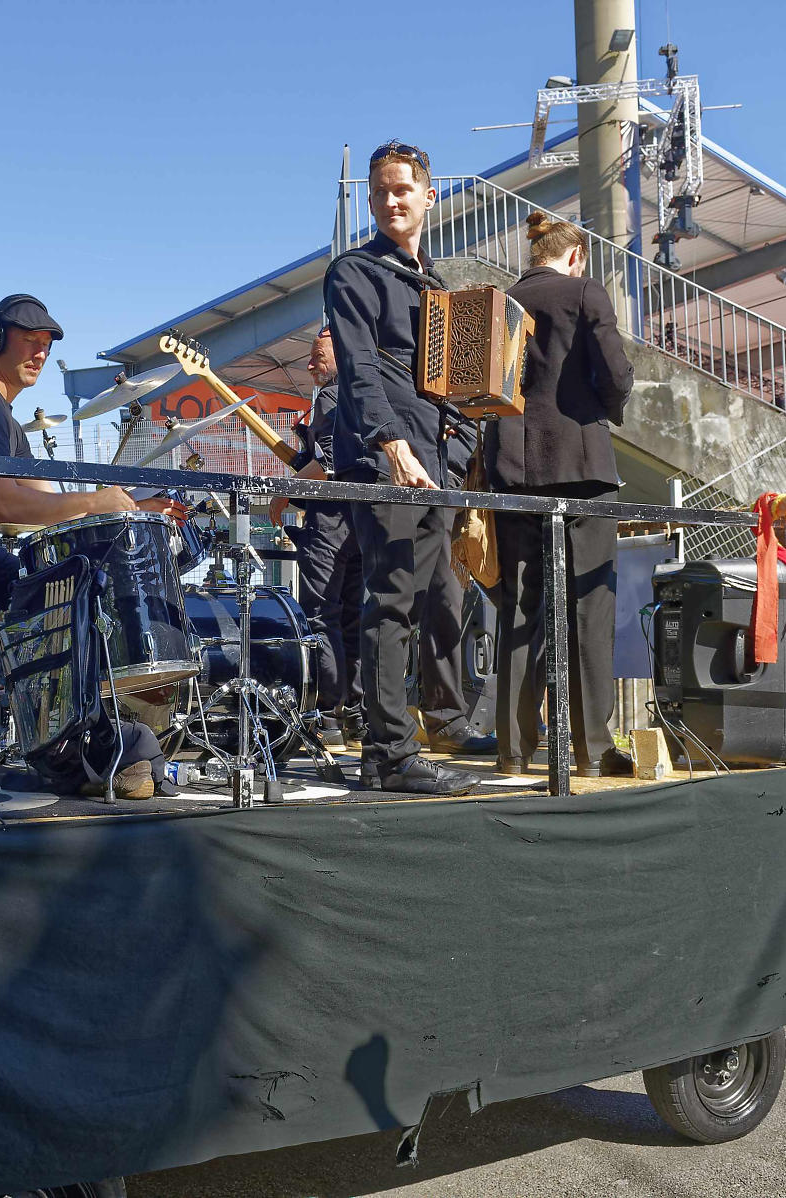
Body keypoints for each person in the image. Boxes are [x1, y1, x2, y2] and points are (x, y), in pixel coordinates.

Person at [323, 140, 477, 795]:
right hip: (384, 463)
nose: (389, 201)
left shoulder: (440, 285)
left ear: (428, 196)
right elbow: (357, 369)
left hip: (435, 466)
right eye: (379, 191)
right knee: (389, 604)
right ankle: (387, 754)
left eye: (401, 190)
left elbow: (459, 387)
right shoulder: (353, 272)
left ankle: (436, 729)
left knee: (436, 603)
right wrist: (391, 445)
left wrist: (460, 457)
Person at [0, 294, 181, 635]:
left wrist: (130, 508)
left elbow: (47, 506)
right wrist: (94, 501)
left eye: (46, 345)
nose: (40, 354)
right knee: (53, 587)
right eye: (30, 341)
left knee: (57, 580)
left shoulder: (8, 423)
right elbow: (4, 505)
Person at [490, 212, 634, 779]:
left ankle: (514, 749)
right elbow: (616, 375)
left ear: (534, 255)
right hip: (581, 465)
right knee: (588, 608)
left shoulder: (501, 301)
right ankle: (591, 749)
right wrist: (605, 413)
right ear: (576, 256)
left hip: (514, 465)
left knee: (519, 607)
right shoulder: (584, 291)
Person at [271, 328, 364, 743]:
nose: (309, 364)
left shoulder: (331, 396)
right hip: (361, 520)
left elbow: (327, 462)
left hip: (329, 521)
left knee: (320, 615)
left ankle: (325, 714)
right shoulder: (366, 395)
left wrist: (282, 493)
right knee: (352, 618)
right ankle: (356, 714)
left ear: (341, 358)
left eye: (318, 357)